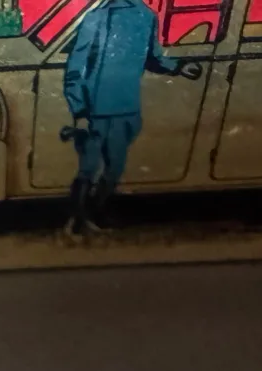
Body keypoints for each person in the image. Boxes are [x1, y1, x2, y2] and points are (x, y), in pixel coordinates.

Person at [62, 0, 203, 235]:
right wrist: (80, 109)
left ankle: (95, 214)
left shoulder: (145, 16)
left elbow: (153, 57)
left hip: (124, 104)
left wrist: (177, 66)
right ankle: (79, 220)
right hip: (97, 107)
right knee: (90, 166)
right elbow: (76, 68)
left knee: (114, 166)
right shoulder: (98, 17)